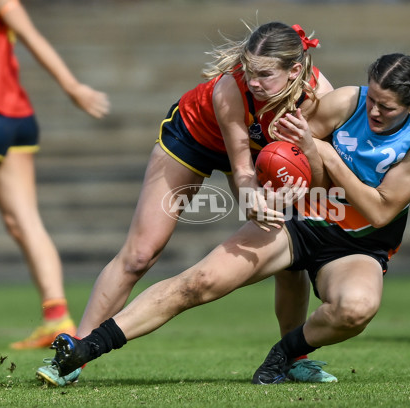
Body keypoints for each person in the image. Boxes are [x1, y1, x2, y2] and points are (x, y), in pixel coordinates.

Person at [36, 53, 410, 385]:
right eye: (373, 99)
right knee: (198, 283)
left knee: (356, 309)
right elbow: (291, 153)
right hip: (301, 221)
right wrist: (288, 170)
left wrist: (324, 154)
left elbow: (380, 208)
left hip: (359, 244)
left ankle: (285, 355)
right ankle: (84, 349)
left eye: (386, 107)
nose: (375, 112)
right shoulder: (348, 102)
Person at [35, 21, 336, 386]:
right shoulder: (231, 87)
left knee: (289, 257)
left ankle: (294, 358)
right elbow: (240, 168)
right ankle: (76, 352)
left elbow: (319, 167)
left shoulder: (320, 97)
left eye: (264, 74)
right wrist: (251, 198)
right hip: (194, 135)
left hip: (264, 152)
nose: (253, 82)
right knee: (140, 254)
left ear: (294, 70)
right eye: (248, 70)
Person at [0, 0, 110, 349]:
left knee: (23, 221)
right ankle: (56, 318)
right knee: (22, 221)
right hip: (16, 120)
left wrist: (72, 87)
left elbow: (31, 36)